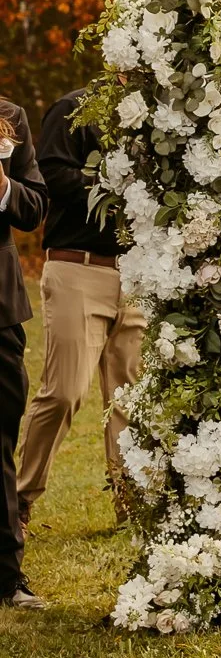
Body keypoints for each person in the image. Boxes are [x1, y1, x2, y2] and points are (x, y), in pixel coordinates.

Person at [17, 90, 146, 531]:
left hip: (140, 274)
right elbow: (50, 175)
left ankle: (130, 506)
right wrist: (119, 185)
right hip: (77, 268)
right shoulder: (74, 108)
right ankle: (19, 497)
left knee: (130, 398)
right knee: (65, 392)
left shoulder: (166, 114)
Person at [0, 96, 49, 609]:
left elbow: (36, 206)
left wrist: (4, 188)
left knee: (0, 440)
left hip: (0, 305)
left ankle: (6, 577)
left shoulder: (9, 117)